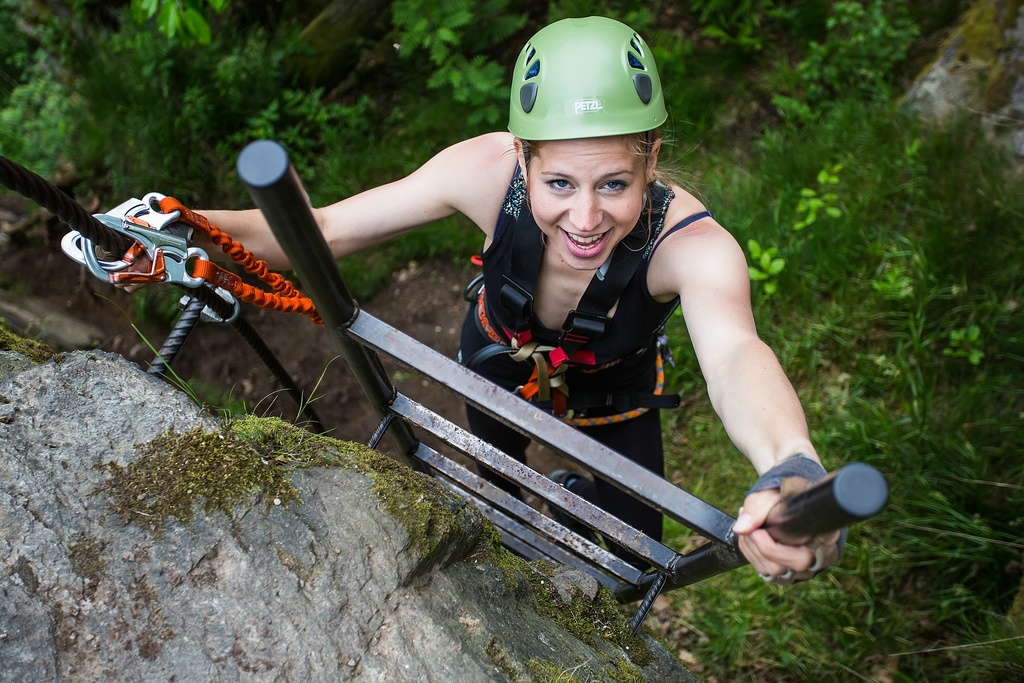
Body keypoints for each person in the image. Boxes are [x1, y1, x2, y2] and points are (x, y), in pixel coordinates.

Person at [193, 16, 841, 583]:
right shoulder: (481, 171)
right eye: (558, 181)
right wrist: (184, 226)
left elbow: (734, 355)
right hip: (496, 364)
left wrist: (789, 458)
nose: (585, 217)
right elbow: (325, 230)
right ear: (522, 159)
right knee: (494, 488)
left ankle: (567, 500)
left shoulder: (691, 246)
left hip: (615, 395)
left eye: (614, 183)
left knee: (638, 555)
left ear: (652, 162)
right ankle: (516, 522)